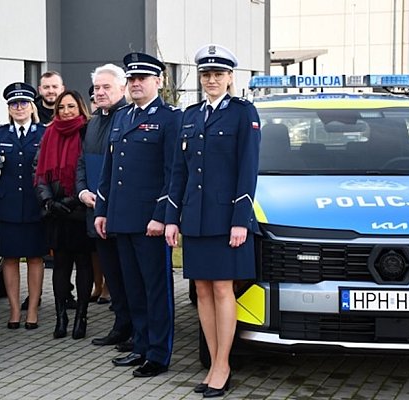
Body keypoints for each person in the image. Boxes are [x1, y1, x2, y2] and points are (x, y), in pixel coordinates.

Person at [164, 44, 261, 397]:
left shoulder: (242, 113)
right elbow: (179, 172)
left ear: (230, 77)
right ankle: (213, 360)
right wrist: (171, 218)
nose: (211, 80)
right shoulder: (189, 116)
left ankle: (223, 364)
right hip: (194, 217)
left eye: (218, 74)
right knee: (202, 289)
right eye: (206, 74)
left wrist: (240, 219)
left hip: (226, 218)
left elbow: (248, 170)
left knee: (222, 289)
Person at [94, 52, 181, 378]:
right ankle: (141, 346)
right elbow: (108, 171)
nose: (135, 84)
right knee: (133, 288)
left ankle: (159, 354)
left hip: (150, 222)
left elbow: (173, 172)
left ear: (157, 81)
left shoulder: (170, 118)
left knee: (156, 289)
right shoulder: (122, 117)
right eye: (131, 79)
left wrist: (162, 215)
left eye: (141, 79)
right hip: (122, 218)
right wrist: (102, 211)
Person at [0, 82, 47, 330]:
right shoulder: (0, 135)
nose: (19, 108)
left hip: (35, 205)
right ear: (9, 109)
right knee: (9, 259)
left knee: (34, 258)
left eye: (23, 103)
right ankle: (13, 311)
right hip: (7, 205)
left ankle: (32, 309)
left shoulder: (43, 133)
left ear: (32, 106)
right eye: (13, 104)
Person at [77, 64, 132, 349]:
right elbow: (83, 162)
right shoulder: (94, 122)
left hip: (122, 213)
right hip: (95, 210)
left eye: (106, 87)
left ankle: (135, 328)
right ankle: (121, 326)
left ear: (122, 88)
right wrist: (82, 191)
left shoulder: (128, 118)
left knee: (128, 274)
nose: (100, 92)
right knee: (111, 271)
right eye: (97, 88)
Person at [34, 90, 95, 340]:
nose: (66, 111)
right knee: (60, 266)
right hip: (56, 212)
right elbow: (38, 171)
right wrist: (48, 201)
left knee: (83, 264)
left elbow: (89, 168)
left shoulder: (87, 132)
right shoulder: (49, 132)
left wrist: (73, 200)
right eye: (61, 107)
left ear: (80, 108)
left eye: (71, 106)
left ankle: (81, 317)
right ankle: (61, 318)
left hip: (80, 210)